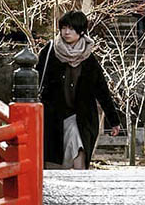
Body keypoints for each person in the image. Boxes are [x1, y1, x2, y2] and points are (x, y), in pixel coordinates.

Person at [37, 10, 121, 169]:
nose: (66, 32)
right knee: (53, 160)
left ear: (81, 31)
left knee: (79, 143)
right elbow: (36, 80)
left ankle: (80, 179)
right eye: (63, 28)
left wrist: (114, 120)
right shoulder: (50, 51)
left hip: (81, 114)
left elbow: (102, 90)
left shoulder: (88, 57)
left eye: (71, 28)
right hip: (54, 115)